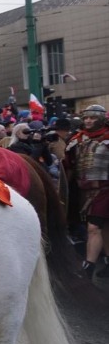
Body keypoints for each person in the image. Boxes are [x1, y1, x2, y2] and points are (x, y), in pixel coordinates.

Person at [65, 104, 109, 278]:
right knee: (104, 227)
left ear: (101, 120)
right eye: (86, 118)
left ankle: (88, 265)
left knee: (93, 227)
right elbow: (68, 165)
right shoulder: (77, 139)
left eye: (93, 118)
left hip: (105, 189)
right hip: (84, 191)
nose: (89, 121)